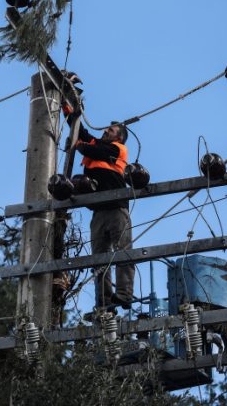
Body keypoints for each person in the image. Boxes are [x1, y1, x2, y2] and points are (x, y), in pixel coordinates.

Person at [64, 108, 134, 312]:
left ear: (118, 136)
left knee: (123, 251)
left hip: (116, 207)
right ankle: (104, 302)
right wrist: (69, 109)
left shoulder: (118, 149)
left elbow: (93, 150)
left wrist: (77, 145)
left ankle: (124, 294)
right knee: (99, 259)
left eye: (110, 130)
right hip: (98, 210)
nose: (105, 131)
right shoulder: (99, 143)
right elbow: (82, 133)